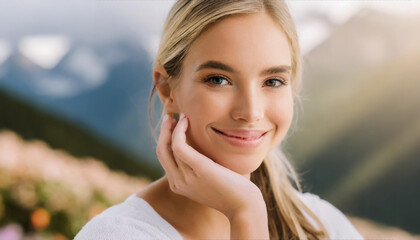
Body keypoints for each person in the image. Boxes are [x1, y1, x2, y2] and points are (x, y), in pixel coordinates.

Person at [74, 0, 364, 239]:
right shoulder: (116, 235)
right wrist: (245, 214)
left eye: (273, 81)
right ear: (166, 88)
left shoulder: (322, 225)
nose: (251, 112)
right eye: (218, 79)